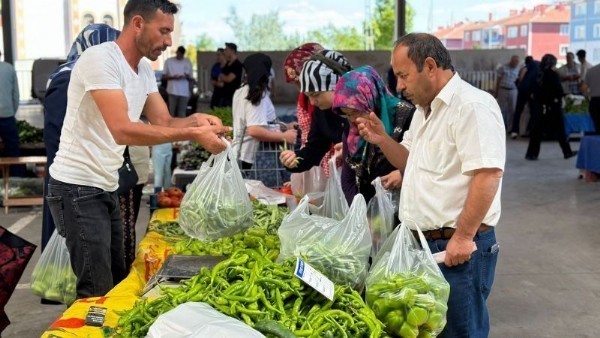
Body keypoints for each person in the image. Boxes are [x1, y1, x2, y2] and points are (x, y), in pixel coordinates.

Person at [47, 0, 230, 299]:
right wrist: (194, 133)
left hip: (106, 184)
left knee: (119, 278)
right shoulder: (100, 59)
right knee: (96, 288)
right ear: (137, 24)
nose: (169, 42)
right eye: (164, 31)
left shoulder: (143, 69)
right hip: (77, 186)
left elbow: (165, 120)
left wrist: (197, 121)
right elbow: (122, 130)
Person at [357, 33, 504, 337]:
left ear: (430, 66)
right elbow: (409, 162)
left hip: (457, 249)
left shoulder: (471, 106)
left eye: (403, 76)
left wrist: (463, 237)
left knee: (461, 331)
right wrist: (383, 139)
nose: (399, 86)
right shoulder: (423, 113)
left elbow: (487, 175)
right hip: (425, 248)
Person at [42, 24, 121, 252]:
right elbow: (57, 132)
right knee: (72, 243)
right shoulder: (67, 78)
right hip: (71, 175)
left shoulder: (98, 76)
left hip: (85, 173)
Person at [332, 65, 414, 204]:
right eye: (347, 114)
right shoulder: (352, 128)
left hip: (403, 208)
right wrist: (360, 213)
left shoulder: (405, 116)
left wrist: (403, 174)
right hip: (369, 213)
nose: (352, 119)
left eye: (356, 112)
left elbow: (421, 162)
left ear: (371, 98)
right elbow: (348, 177)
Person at [279, 50, 351, 175]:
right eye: (308, 96)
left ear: (336, 86)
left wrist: (353, 148)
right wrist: (295, 159)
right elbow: (314, 148)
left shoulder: (364, 106)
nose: (312, 102)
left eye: (316, 94)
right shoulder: (322, 112)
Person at [232, 53, 297, 169]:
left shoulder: (240, 91)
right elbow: (254, 130)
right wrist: (284, 137)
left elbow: (257, 122)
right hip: (255, 158)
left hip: (240, 153)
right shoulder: (256, 94)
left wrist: (285, 126)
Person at [526, 54, 577, 160]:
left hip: (539, 106)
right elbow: (559, 91)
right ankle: (567, 152)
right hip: (552, 106)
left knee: (536, 131)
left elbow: (533, 89)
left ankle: (532, 154)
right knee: (560, 130)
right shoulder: (553, 74)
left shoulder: (538, 74)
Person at [0, 50, 23, 176]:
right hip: (7, 115)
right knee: (13, 149)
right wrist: (11, 111)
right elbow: (16, 95)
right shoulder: (9, 69)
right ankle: (17, 179)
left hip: (7, 113)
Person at [511, 56, 539, 138]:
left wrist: (521, 84)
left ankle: (514, 131)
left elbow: (520, 78)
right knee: (533, 111)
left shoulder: (526, 67)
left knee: (518, 110)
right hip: (531, 91)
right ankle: (531, 130)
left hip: (523, 90)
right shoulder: (537, 66)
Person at [163, 45, 194, 117]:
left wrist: (185, 77)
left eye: (181, 55)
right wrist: (173, 77)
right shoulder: (169, 61)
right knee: (171, 112)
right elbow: (164, 77)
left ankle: (181, 127)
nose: (179, 56)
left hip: (184, 92)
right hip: (172, 90)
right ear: (177, 52)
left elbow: (191, 78)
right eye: (178, 54)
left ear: (183, 54)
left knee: (182, 112)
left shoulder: (187, 62)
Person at [495, 55, 520, 133]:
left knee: (512, 110)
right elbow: (498, 80)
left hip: (513, 90)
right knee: (501, 109)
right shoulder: (503, 68)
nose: (516, 63)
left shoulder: (518, 69)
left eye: (517, 62)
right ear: (511, 61)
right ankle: (499, 127)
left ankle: (510, 128)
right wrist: (496, 91)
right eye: (515, 61)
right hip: (503, 89)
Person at [218, 42, 243, 107]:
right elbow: (220, 78)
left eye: (226, 50)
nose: (224, 52)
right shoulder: (227, 64)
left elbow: (229, 79)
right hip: (223, 95)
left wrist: (223, 77)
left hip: (232, 97)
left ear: (232, 51)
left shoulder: (237, 65)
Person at [584, 63, 600, 134]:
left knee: (597, 126)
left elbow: (584, 89)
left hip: (594, 102)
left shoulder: (591, 70)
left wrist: (588, 99)